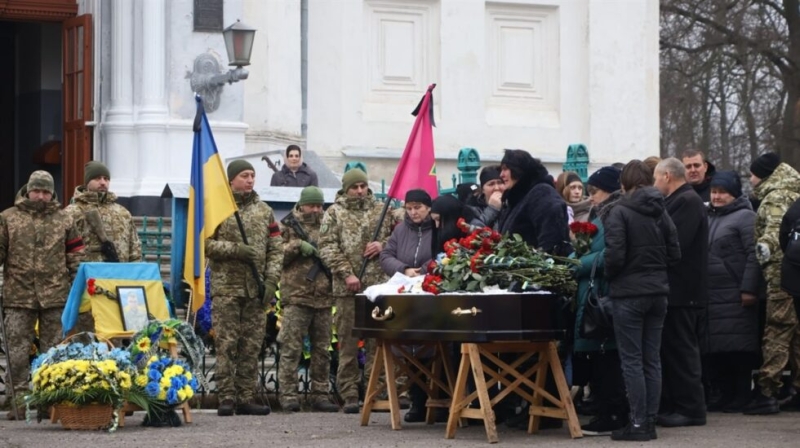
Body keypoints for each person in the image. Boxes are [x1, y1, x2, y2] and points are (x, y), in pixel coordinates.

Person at [603, 160, 681, 441]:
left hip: (629, 294)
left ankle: (637, 424)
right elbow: (675, 254)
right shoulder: (662, 211)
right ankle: (649, 422)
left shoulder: (619, 211)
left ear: (624, 183)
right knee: (652, 360)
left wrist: (612, 276)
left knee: (632, 361)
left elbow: (614, 257)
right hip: (658, 293)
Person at [0, 171, 85, 419]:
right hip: (18, 296)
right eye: (36, 191)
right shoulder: (8, 218)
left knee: (54, 352)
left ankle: (50, 402)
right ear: (28, 190)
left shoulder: (64, 220)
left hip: (55, 295)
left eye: (45, 192)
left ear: (52, 193)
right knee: (16, 352)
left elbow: (76, 255)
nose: (40, 196)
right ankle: (17, 402)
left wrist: (76, 288)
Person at [206, 160, 283, 417]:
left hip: (256, 288)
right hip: (227, 288)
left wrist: (271, 281)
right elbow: (205, 244)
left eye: (252, 175)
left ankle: (246, 396)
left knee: (251, 345)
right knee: (227, 344)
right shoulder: (218, 209)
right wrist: (235, 250)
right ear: (231, 180)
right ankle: (226, 396)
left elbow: (275, 248)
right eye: (244, 175)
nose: (249, 180)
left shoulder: (264, 211)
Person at [318, 168, 393, 414]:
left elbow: (400, 237)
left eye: (362, 186)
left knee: (376, 343)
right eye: (354, 187)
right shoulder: (334, 213)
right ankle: (349, 393)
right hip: (348, 289)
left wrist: (383, 245)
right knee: (349, 344)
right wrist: (346, 272)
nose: (360, 191)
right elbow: (327, 247)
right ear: (346, 188)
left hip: (378, 287)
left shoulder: (381, 210)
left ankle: (376, 392)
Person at [653, 157, 708, 427]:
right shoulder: (679, 201)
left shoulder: (687, 201)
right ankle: (677, 405)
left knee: (683, 350)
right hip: (675, 290)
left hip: (684, 290)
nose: (654, 184)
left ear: (666, 176)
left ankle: (691, 409)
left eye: (655, 178)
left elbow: (677, 242)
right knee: (673, 350)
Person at [743, 153, 800, 415]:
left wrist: (764, 258)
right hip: (793, 275)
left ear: (764, 175)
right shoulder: (791, 191)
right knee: (796, 335)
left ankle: (766, 391)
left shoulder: (777, 196)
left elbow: (774, 239)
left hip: (781, 276)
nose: (751, 179)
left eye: (753, 174)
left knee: (776, 332)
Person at [573, 166, 628, 436]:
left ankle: (613, 412)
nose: (590, 197)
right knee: (599, 355)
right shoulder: (601, 215)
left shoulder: (614, 216)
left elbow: (611, 255)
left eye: (594, 191)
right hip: (595, 292)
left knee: (608, 357)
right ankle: (605, 410)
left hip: (605, 294)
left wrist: (578, 263)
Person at [277, 186, 339, 413]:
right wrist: (295, 246)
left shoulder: (329, 226)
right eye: (312, 205)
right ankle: (288, 395)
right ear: (302, 204)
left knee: (322, 350)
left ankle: (320, 394)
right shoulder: (288, 226)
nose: (316, 210)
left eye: (319, 205)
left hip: (323, 298)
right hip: (297, 296)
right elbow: (275, 255)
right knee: (291, 347)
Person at [704, 171, 761, 413]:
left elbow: (753, 254)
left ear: (734, 194)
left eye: (722, 192)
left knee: (739, 348)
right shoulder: (708, 217)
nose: (716, 197)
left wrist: (749, 288)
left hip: (735, 292)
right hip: (713, 295)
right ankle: (725, 394)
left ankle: (741, 394)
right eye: (714, 192)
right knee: (719, 348)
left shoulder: (746, 217)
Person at [64, 161, 143, 332]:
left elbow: (134, 248)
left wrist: (135, 277)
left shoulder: (122, 213)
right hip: (88, 285)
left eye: (106, 178)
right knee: (87, 335)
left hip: (118, 283)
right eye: (97, 178)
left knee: (117, 333)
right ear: (87, 182)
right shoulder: (72, 212)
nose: (103, 182)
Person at [496, 149, 571, 256]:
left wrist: (543, 262)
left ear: (518, 169)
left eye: (505, 169)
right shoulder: (517, 196)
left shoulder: (542, 193)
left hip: (538, 269)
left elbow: (551, 240)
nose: (501, 175)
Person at [380, 189, 434, 278]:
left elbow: (443, 255)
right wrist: (404, 270)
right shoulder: (400, 229)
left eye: (417, 207)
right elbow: (386, 256)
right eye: (409, 208)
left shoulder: (438, 227)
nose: (413, 212)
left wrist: (423, 270)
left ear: (428, 207)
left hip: (432, 282)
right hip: (404, 283)